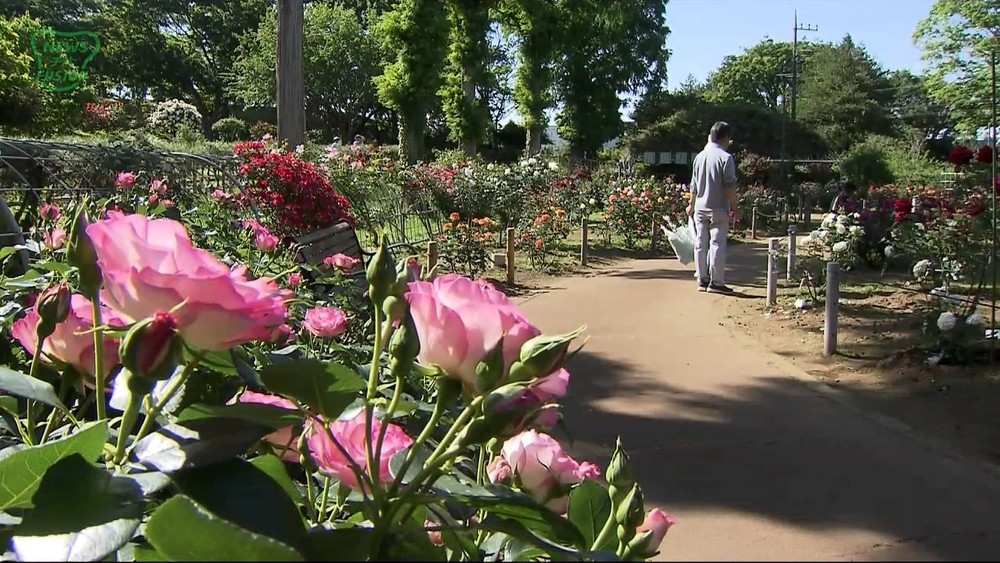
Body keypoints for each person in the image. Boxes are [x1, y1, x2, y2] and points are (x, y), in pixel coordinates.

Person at [685, 121, 741, 294]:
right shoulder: (726, 158)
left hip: (700, 207)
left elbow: (693, 185)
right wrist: (735, 208)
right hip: (718, 207)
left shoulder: (699, 157)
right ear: (725, 137)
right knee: (717, 244)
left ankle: (702, 279)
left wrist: (690, 205)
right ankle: (716, 282)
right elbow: (729, 186)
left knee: (700, 243)